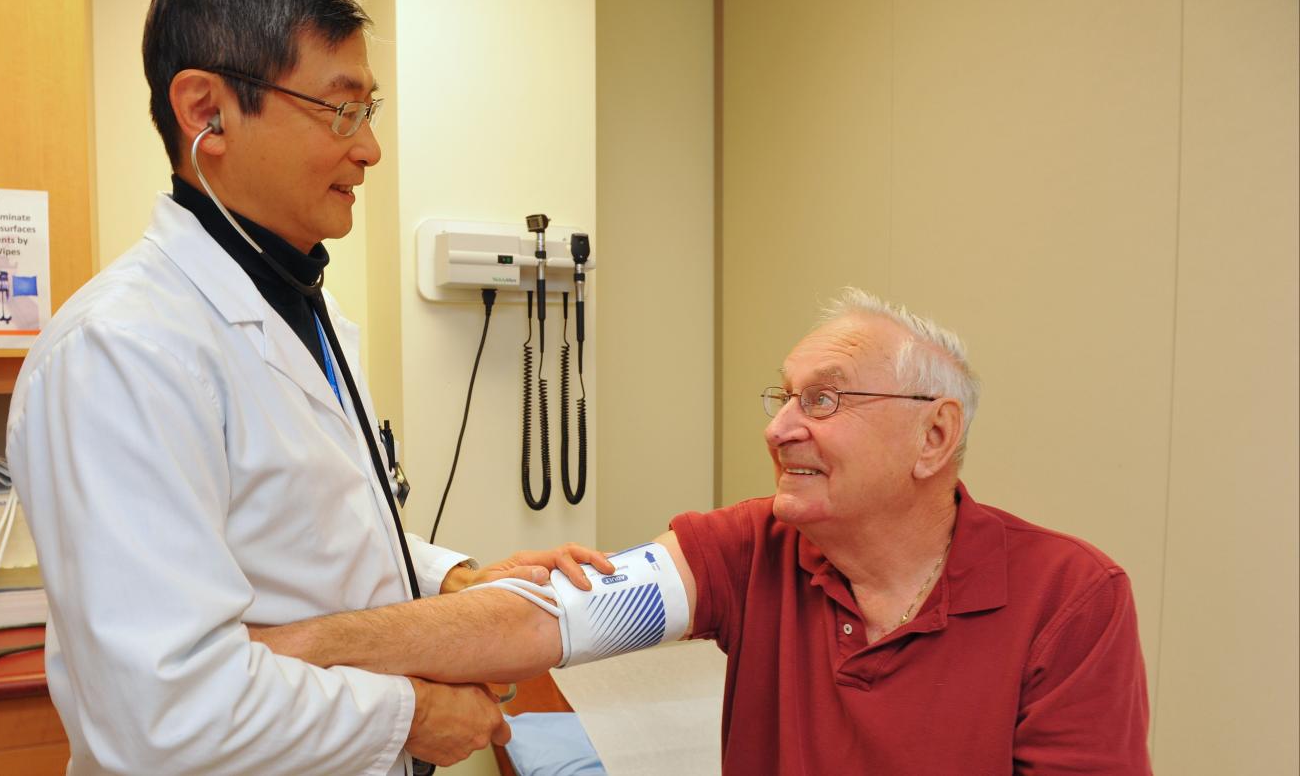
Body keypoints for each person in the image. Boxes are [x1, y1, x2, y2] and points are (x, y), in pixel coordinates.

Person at [6, 0, 608, 774]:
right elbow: (164, 711)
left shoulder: (302, 311)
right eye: (341, 108)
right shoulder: (120, 353)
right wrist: (410, 713)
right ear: (206, 112)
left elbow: (313, 539)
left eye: (370, 110)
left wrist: (452, 579)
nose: (369, 147)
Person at [270, 287, 1152, 775]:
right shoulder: (754, 545)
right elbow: (542, 618)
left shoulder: (1071, 600)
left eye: (825, 400)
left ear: (935, 435)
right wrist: (297, 646)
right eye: (783, 397)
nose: (777, 429)